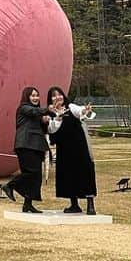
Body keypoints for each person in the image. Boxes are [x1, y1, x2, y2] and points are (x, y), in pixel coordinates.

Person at [47, 86, 98, 214]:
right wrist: (57, 116)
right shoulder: (50, 114)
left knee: (85, 172)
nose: (57, 97)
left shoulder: (71, 107)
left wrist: (85, 110)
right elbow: (52, 129)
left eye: (59, 94)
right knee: (67, 174)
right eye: (54, 95)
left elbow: (80, 112)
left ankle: (90, 205)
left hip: (79, 146)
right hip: (64, 148)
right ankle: (74, 204)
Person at [2, 86, 53, 212]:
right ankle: (9, 185)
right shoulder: (24, 108)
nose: (36, 98)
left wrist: (46, 120)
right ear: (27, 97)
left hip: (36, 146)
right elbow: (33, 112)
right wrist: (48, 110)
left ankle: (28, 204)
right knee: (30, 172)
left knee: (35, 177)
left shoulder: (38, 112)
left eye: (37, 95)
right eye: (33, 95)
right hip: (25, 145)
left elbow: (42, 126)